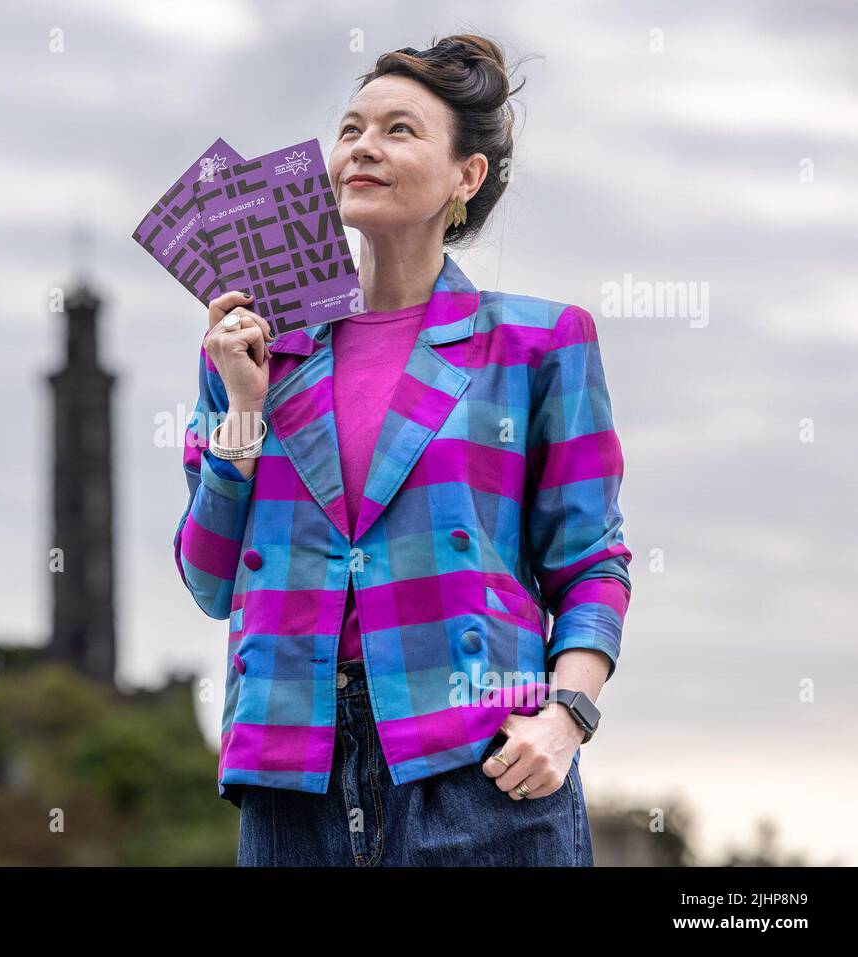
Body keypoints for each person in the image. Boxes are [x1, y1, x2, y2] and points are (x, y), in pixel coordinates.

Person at [172, 35, 632, 866]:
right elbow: (210, 581)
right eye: (350, 128)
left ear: (466, 177)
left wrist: (567, 717)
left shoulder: (539, 343)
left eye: (398, 130)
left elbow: (593, 561)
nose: (362, 147)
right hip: (290, 776)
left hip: (480, 764)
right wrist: (243, 407)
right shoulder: (253, 349)